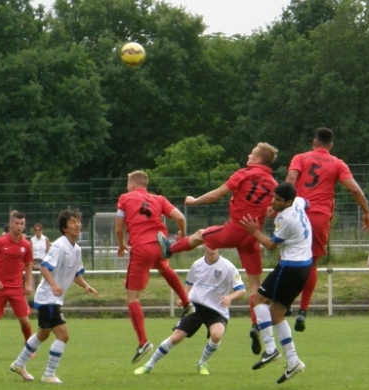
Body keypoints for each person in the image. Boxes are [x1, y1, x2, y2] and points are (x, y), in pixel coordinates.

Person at [159, 142, 279, 355]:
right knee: (254, 284)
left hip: (235, 229)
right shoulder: (273, 184)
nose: (248, 156)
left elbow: (216, 195)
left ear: (258, 159)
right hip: (253, 236)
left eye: (252, 154)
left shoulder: (243, 174)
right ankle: (255, 324)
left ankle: (170, 249)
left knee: (200, 235)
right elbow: (276, 209)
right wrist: (270, 211)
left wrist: (194, 201)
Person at [284, 127, 369, 333]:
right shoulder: (337, 163)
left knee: (287, 258)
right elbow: (354, 188)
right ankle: (303, 311)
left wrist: (283, 203)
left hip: (297, 213)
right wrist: (366, 211)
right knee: (312, 264)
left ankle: (286, 302)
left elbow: (290, 179)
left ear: (314, 143)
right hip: (319, 217)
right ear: (331, 145)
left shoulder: (301, 158)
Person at [9, 209, 98, 383]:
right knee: (63, 335)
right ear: (64, 228)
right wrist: (54, 284)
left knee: (42, 335)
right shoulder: (59, 245)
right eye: (73, 222)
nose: (77, 225)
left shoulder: (77, 249)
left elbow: (76, 274)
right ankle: (49, 374)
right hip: (48, 298)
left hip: (54, 299)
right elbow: (44, 267)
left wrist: (86, 286)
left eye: (78, 221)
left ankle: (18, 364)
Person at [115, 169, 192, 364]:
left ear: (133, 184)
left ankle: (143, 342)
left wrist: (121, 243)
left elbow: (118, 227)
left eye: (128, 184)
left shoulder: (125, 198)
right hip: (160, 243)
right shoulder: (159, 198)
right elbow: (180, 217)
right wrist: (182, 234)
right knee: (164, 267)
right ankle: (186, 302)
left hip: (141, 246)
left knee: (132, 297)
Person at [134, 245, 247, 376]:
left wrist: (229, 297)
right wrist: (184, 299)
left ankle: (202, 363)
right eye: (209, 243)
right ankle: (149, 365)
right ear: (204, 245)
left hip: (216, 310)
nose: (212, 247)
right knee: (175, 338)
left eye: (214, 244)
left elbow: (242, 290)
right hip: (196, 307)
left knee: (216, 335)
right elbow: (189, 284)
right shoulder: (197, 264)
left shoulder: (228, 267)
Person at [241, 183, 312, 384]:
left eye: (278, 200)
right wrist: (276, 208)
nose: (273, 201)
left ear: (288, 202)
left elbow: (271, 245)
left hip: (290, 267)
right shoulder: (297, 202)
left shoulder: (285, 218)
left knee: (258, 300)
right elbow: (307, 202)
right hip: (303, 267)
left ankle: (271, 349)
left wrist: (254, 231)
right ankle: (293, 360)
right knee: (276, 313)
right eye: (273, 197)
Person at [0, 210, 33, 359]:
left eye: (22, 224)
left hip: (16, 288)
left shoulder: (26, 245)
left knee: (25, 321)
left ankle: (29, 348)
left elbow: (28, 264)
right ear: (10, 224)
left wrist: (28, 284)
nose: (19, 226)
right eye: (17, 223)